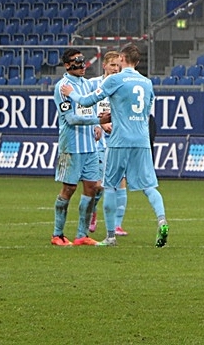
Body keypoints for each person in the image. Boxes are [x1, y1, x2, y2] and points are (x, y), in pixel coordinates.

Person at [62, 44, 168, 248]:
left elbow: (87, 100)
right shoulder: (146, 82)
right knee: (149, 186)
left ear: (122, 58)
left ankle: (110, 236)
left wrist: (71, 93)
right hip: (142, 140)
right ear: (137, 62)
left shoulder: (115, 79)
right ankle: (162, 220)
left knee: (110, 186)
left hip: (119, 140)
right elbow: (147, 110)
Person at [50, 49, 103, 247]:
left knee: (92, 187)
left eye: (83, 61)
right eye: (77, 62)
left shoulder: (87, 84)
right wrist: (98, 120)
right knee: (69, 188)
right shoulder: (62, 87)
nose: (82, 66)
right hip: (71, 145)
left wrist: (97, 125)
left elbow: (91, 106)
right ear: (66, 65)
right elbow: (70, 118)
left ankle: (82, 235)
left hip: (90, 145)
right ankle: (58, 234)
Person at [87, 51, 130, 237]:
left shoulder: (123, 85)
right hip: (97, 141)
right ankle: (93, 212)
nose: (115, 68)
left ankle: (117, 225)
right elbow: (84, 107)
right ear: (104, 65)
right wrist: (98, 123)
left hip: (117, 139)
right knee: (97, 185)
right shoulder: (92, 84)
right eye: (112, 65)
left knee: (121, 181)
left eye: (118, 65)